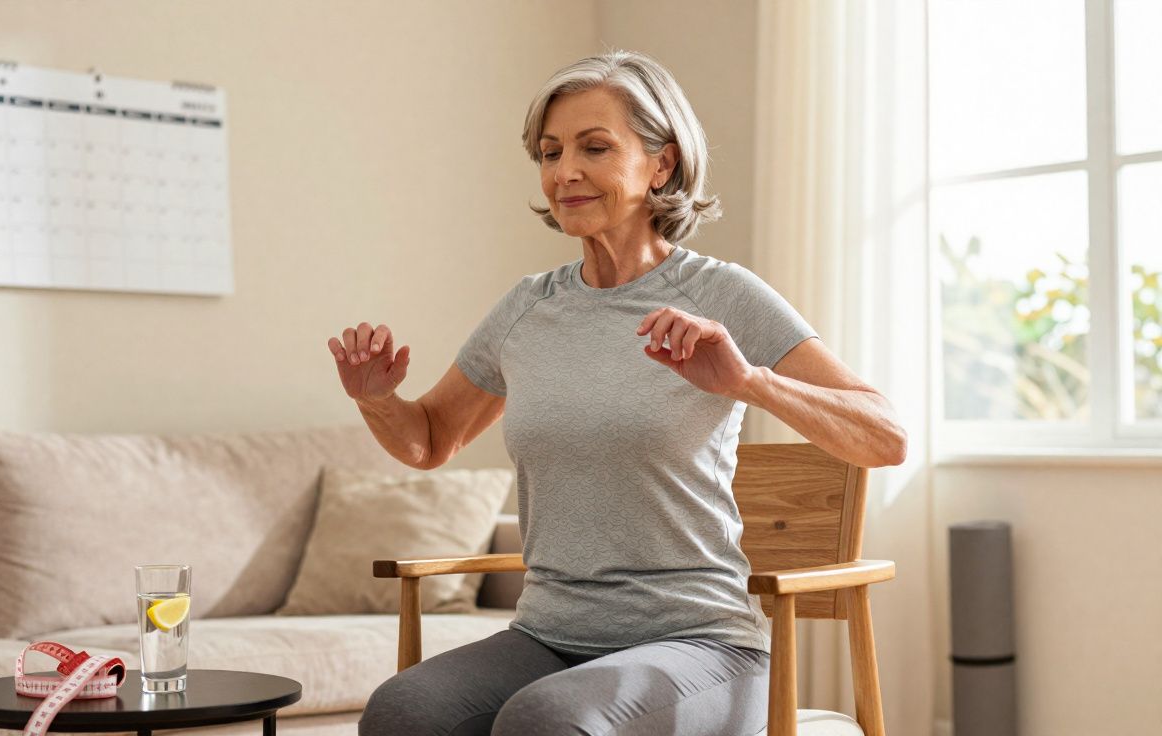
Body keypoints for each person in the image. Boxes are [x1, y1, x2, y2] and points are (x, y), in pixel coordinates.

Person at [328, 50, 907, 736]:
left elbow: (885, 435)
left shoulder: (720, 295)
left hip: (703, 646)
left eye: (594, 147)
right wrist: (378, 401)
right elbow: (429, 440)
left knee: (546, 721)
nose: (563, 171)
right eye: (550, 152)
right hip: (548, 638)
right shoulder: (527, 310)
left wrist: (750, 382)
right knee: (402, 712)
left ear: (661, 163)